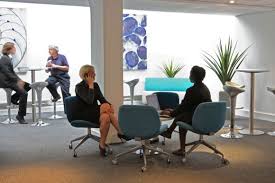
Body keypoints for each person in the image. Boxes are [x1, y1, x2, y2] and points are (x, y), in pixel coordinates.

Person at [161, 66, 212, 155]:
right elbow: (188, 106)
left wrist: (171, 113)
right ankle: (170, 133)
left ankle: (172, 135)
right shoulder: (206, 89)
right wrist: (174, 111)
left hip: (197, 120)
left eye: (190, 74)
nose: (189, 76)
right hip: (206, 119)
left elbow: (184, 106)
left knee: (181, 118)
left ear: (194, 76)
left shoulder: (191, 90)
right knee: (182, 116)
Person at [75, 65, 122, 157]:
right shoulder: (79, 87)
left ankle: (102, 144)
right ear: (86, 75)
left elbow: (102, 99)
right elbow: (89, 101)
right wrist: (91, 85)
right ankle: (121, 131)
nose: (95, 74)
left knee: (106, 117)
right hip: (84, 113)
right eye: (93, 73)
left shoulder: (96, 85)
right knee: (105, 107)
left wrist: (109, 105)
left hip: (96, 112)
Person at [0, 42, 31, 124]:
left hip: (10, 80)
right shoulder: (4, 59)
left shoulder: (7, 58)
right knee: (24, 93)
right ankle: (20, 116)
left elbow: (12, 72)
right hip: (6, 82)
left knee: (28, 86)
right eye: (13, 48)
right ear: (9, 49)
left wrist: (20, 80)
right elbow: (7, 73)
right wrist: (18, 81)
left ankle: (13, 98)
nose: (15, 49)